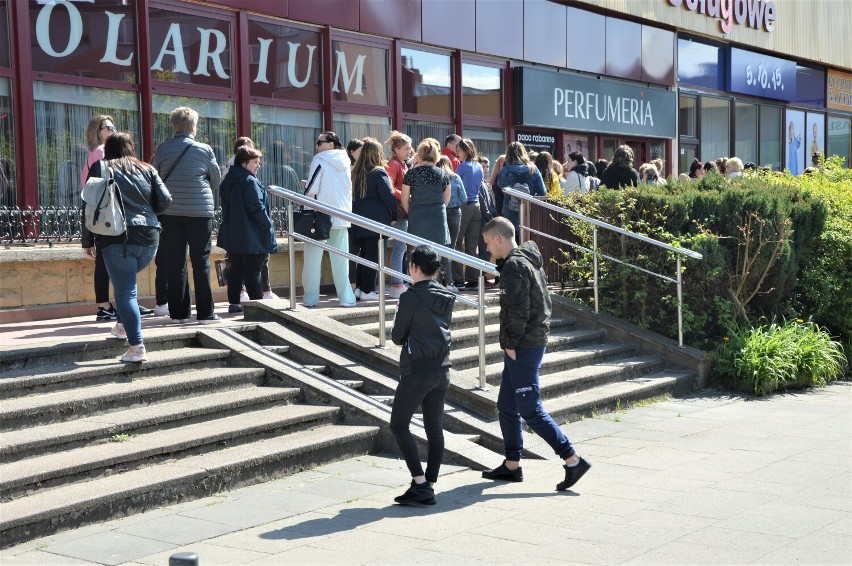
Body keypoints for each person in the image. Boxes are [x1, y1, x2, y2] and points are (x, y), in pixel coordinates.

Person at [480, 217, 591, 491]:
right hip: (529, 341)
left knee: (529, 408)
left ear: (497, 238)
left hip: (524, 345)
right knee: (506, 406)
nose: (486, 250)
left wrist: (510, 343)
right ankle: (511, 465)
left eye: (487, 244)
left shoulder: (516, 266)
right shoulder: (524, 260)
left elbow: (519, 310)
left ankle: (572, 459)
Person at [87, 132, 172, 362]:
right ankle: (122, 326)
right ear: (131, 147)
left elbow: (89, 206)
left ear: (108, 149)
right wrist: (147, 214)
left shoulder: (101, 168)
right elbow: (165, 200)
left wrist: (88, 241)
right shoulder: (147, 168)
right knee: (125, 286)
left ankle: (136, 347)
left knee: (126, 292)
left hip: (118, 236)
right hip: (149, 237)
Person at [390, 245, 456, 506]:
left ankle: (419, 482)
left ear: (414, 267)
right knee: (434, 428)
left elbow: (397, 337)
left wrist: (400, 310)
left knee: (398, 425)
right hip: (442, 368)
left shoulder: (410, 297)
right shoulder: (446, 294)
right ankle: (428, 484)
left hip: (418, 370)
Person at [152, 106, 222, 324]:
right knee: (201, 261)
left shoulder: (163, 149)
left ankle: (179, 313)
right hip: (200, 212)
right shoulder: (204, 149)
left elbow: (155, 179)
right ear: (193, 126)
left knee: (175, 261)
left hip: (170, 212)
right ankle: (206, 314)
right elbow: (216, 179)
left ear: (175, 126)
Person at [81, 115, 155, 322]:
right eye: (108, 127)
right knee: (106, 262)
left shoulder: (95, 153)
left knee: (109, 262)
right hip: (110, 216)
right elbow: (92, 192)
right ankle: (109, 306)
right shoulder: (101, 154)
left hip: (108, 215)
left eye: (114, 126)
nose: (113, 130)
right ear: (98, 131)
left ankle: (119, 305)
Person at [217, 146, 278, 314]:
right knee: (253, 270)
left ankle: (234, 303)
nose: (258, 165)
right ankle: (257, 306)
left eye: (259, 162)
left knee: (235, 269)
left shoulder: (229, 180)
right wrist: (267, 225)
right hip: (252, 235)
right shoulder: (249, 181)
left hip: (234, 234)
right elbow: (256, 207)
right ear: (244, 163)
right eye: (255, 162)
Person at [301, 131, 358, 308]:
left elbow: (312, 189)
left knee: (312, 259)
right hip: (341, 216)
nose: (317, 145)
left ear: (331, 144)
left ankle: (310, 299)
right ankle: (347, 298)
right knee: (341, 260)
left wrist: (304, 185)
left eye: (320, 142)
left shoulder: (320, 159)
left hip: (320, 216)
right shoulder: (346, 161)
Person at [350, 137, 398, 301]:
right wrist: (394, 216)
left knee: (363, 255)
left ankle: (361, 288)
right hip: (376, 221)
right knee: (373, 256)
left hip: (358, 221)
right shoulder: (378, 172)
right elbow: (389, 197)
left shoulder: (356, 172)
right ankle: (368, 290)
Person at [402, 138, 451, 250]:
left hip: (417, 218)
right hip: (438, 219)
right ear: (436, 155)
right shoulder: (443, 174)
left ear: (419, 155)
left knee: (415, 256)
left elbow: (404, 199)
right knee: (435, 257)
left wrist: (413, 212)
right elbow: (446, 200)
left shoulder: (411, 174)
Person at [385, 131, 414, 300]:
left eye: (410, 148)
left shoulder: (402, 164)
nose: (409, 151)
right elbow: (389, 187)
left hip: (404, 210)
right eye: (406, 148)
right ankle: (397, 283)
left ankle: (400, 281)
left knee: (403, 248)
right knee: (400, 248)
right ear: (396, 149)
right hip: (400, 211)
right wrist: (405, 196)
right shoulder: (395, 164)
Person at [495, 142, 546, 234]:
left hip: (509, 212)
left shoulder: (504, 171)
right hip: (528, 212)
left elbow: (499, 188)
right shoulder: (532, 169)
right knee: (527, 239)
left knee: (511, 239)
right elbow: (542, 191)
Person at [453, 138, 483, 290]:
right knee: (472, 245)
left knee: (457, 243)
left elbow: (454, 185)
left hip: (463, 206)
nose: (457, 153)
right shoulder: (479, 165)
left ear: (465, 150)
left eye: (459, 150)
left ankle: (458, 279)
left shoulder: (462, 167)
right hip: (476, 206)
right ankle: (473, 279)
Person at [437, 155, 466, 293]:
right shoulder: (455, 177)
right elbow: (464, 198)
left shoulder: (436, 178)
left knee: (440, 247)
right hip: (454, 213)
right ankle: (449, 282)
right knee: (451, 248)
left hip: (439, 213)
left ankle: (440, 280)